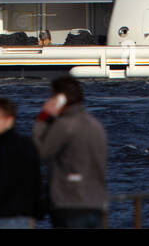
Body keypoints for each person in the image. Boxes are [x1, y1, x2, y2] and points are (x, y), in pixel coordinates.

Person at [32, 77, 107, 228]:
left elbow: (40, 152)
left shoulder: (64, 125)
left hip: (70, 203)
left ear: (61, 98)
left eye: (52, 96)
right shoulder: (96, 125)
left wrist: (43, 117)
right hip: (96, 204)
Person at [0, 98, 45, 228]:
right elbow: (37, 183)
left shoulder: (4, 149)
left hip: (0, 217)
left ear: (9, 119)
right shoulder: (26, 145)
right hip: (24, 218)